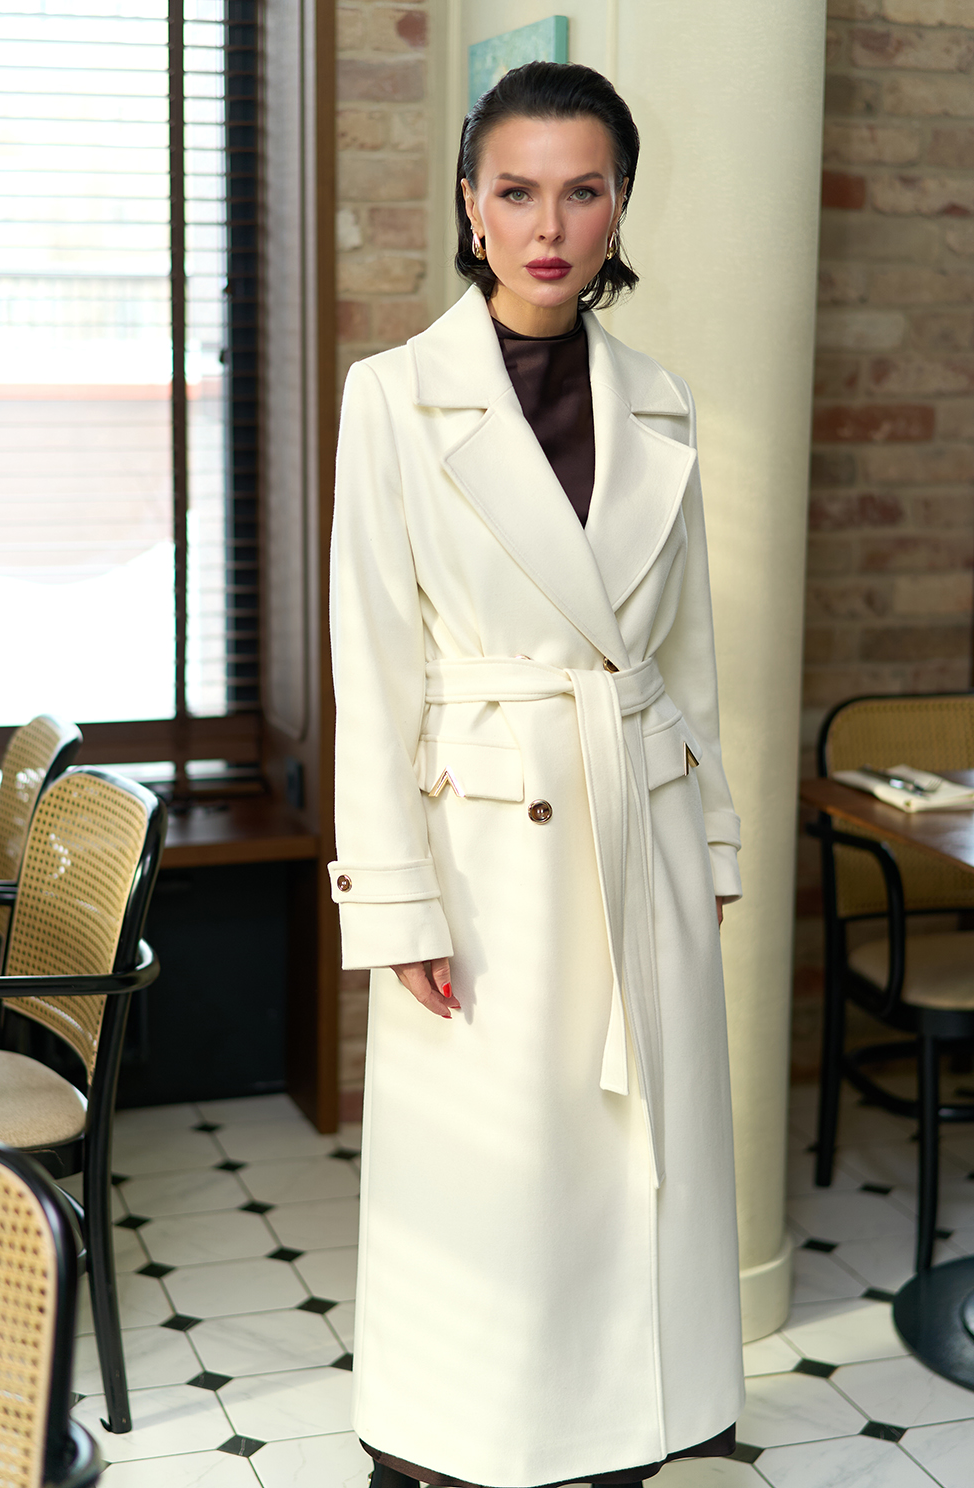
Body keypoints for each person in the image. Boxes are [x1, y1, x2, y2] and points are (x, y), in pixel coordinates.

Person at [329, 61, 744, 1488]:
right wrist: (397, 900)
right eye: (516, 192)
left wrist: (712, 847)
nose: (548, 226)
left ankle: (627, 1441)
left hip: (642, 826)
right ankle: (458, 1450)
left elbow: (686, 660)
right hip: (488, 853)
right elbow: (374, 666)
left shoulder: (663, 404)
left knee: (636, 1176)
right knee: (494, 1192)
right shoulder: (394, 398)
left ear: (620, 206)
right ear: (471, 204)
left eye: (582, 192)